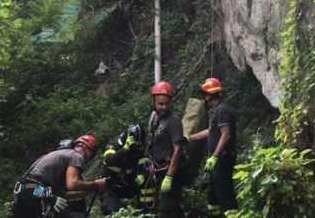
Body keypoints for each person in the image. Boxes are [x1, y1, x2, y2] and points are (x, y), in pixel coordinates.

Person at [12, 134, 107, 218]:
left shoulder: (59, 155)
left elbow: (58, 194)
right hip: (36, 190)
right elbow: (72, 184)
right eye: (91, 155)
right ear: (88, 148)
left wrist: (83, 193)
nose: (89, 158)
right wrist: (95, 184)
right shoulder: (76, 156)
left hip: (27, 191)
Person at [187, 78, 238, 218]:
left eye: (204, 94)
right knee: (212, 194)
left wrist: (215, 157)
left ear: (209, 95)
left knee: (224, 192)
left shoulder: (222, 110)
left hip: (222, 159)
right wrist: (190, 138)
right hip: (217, 160)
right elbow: (211, 132)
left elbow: (226, 135)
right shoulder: (217, 111)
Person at [146, 81, 187, 218]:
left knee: (165, 211)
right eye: (160, 104)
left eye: (167, 104)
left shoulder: (173, 120)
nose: (164, 107)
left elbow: (178, 149)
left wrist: (169, 176)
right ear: (154, 101)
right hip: (158, 170)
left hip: (171, 171)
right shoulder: (153, 117)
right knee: (172, 209)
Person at [99, 124, 153, 215]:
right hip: (110, 184)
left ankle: (144, 213)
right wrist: (124, 149)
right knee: (112, 210)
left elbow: (146, 164)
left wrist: (143, 175)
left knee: (149, 183)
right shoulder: (113, 145)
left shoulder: (139, 148)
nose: (136, 148)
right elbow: (109, 161)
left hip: (127, 183)